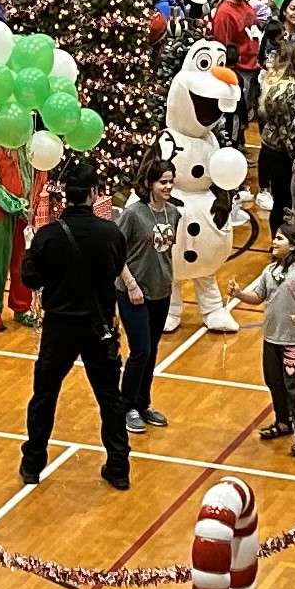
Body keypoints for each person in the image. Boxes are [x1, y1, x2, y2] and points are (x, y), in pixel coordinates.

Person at [17, 163, 134, 490]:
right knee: (110, 398)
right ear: (94, 194)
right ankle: (118, 467)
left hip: (60, 328)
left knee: (44, 395)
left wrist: (30, 248)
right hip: (99, 327)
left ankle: (32, 463)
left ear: (65, 195)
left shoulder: (49, 234)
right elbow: (115, 269)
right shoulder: (111, 233)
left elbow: (30, 279)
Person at [245, 220, 295, 453]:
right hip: (271, 339)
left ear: (292, 245)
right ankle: (283, 422)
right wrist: (239, 294)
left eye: (280, 238)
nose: (274, 241)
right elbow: (258, 296)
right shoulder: (269, 271)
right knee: (274, 382)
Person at [114, 165, 177, 436]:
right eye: (163, 182)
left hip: (161, 291)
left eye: (171, 182)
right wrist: (131, 284)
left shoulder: (173, 213)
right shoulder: (133, 214)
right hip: (133, 292)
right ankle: (126, 405)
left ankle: (143, 403)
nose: (168, 187)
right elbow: (116, 252)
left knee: (151, 351)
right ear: (150, 183)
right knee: (140, 350)